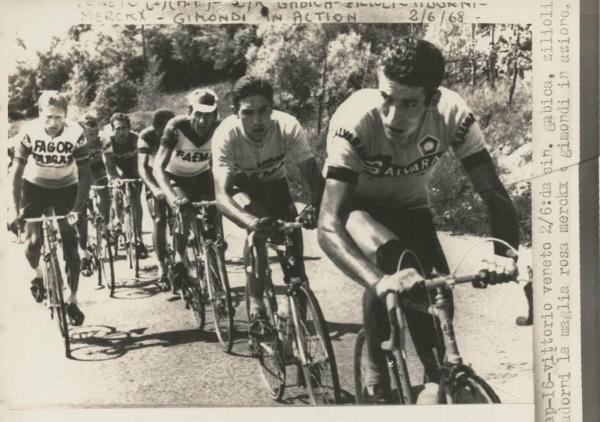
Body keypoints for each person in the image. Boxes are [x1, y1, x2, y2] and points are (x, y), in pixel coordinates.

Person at [317, 37, 519, 402]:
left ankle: (435, 382)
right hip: (358, 210)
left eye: (410, 103)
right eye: (386, 98)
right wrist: (379, 283)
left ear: (433, 100)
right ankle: (376, 364)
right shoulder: (354, 119)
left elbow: (493, 192)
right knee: (394, 266)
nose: (393, 115)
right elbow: (328, 224)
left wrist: (503, 256)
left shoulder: (452, 113)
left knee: (438, 292)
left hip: (413, 209)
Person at [212, 76, 324, 337]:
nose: (257, 121)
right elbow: (222, 196)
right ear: (236, 113)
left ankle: (297, 312)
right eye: (248, 113)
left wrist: (315, 207)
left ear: (272, 108)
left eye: (263, 111)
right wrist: (252, 223)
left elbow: (314, 178)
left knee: (292, 247)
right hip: (240, 188)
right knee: (259, 230)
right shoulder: (226, 135)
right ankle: (257, 308)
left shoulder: (287, 126)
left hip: (275, 185)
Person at [8, 90, 91, 325]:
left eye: (58, 117)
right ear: (40, 114)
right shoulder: (29, 132)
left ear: (66, 115)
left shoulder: (76, 133)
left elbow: (85, 175)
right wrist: (14, 211)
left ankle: (72, 299)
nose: (53, 123)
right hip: (35, 186)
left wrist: (77, 208)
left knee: (70, 240)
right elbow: (15, 174)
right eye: (48, 117)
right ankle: (37, 276)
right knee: (33, 243)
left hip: (67, 185)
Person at [153, 89, 221, 287]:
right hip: (176, 178)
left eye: (208, 115)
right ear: (190, 112)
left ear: (215, 115)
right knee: (184, 211)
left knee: (214, 220)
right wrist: (171, 197)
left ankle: (214, 263)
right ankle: (179, 258)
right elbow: (158, 167)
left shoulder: (220, 127)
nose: (203, 121)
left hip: (202, 176)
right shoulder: (176, 127)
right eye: (198, 114)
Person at [138, 109, 176, 291]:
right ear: (156, 129)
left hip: (174, 176)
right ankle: (162, 265)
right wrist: (154, 188)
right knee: (160, 220)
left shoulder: (178, 132)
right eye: (163, 129)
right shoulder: (146, 136)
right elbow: (143, 168)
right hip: (154, 179)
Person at [102, 112, 148, 259]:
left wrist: (142, 176)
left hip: (134, 169)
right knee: (117, 189)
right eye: (117, 129)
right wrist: (114, 178)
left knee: (136, 200)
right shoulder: (109, 141)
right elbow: (109, 165)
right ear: (112, 129)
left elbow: (142, 162)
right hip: (117, 168)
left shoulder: (136, 138)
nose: (121, 132)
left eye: (123, 128)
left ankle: (138, 238)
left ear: (129, 128)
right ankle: (117, 222)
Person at [77, 113, 108, 277]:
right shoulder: (75, 143)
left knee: (105, 190)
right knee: (81, 212)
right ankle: (83, 251)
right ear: (82, 134)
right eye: (90, 134)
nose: (94, 137)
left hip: (97, 168)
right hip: (80, 174)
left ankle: (106, 226)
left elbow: (108, 161)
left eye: (95, 133)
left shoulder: (102, 140)